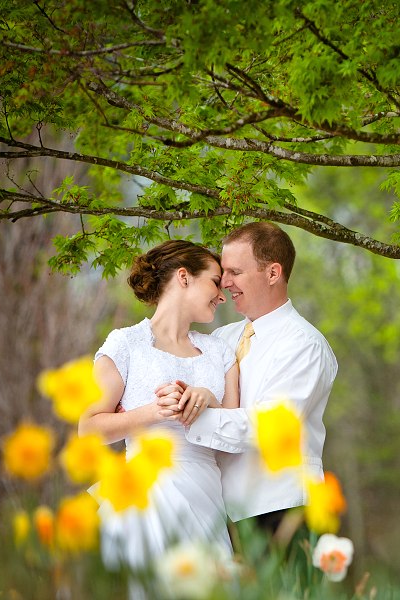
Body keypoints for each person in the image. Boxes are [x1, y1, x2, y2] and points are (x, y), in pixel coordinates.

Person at [79, 239, 240, 573]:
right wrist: (154, 411)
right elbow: (88, 429)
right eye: (214, 280)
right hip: (143, 496)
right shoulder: (125, 344)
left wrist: (208, 400)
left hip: (205, 497)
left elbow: (235, 435)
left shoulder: (221, 353)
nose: (222, 294)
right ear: (184, 277)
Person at [171, 222, 338, 538]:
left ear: (273, 273)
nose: (225, 282)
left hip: (282, 511)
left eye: (235, 272)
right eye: (223, 273)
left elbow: (269, 426)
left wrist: (190, 418)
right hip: (222, 514)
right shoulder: (222, 338)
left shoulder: (304, 344)